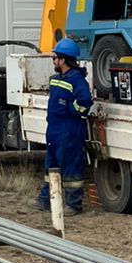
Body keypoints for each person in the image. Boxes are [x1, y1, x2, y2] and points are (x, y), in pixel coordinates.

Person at [37, 37, 93, 215]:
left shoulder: (77, 80)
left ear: (63, 60)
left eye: (55, 58)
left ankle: (73, 204)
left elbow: (85, 102)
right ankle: (46, 199)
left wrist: (71, 109)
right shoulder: (57, 79)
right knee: (51, 164)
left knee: (70, 166)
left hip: (69, 130)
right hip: (54, 129)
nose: (53, 61)